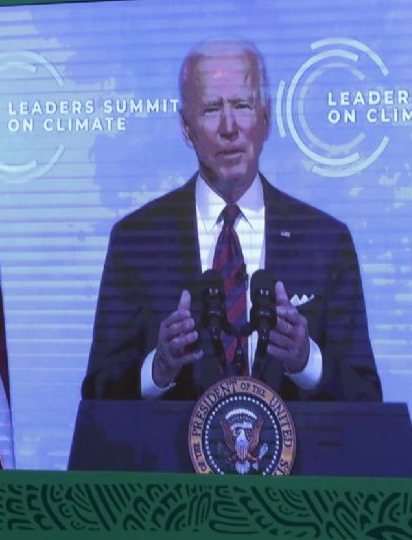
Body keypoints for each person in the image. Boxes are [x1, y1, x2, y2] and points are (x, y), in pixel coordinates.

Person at [82, 39, 381, 402]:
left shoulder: (325, 241)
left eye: (242, 105)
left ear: (266, 119)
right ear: (186, 127)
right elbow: (97, 394)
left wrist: (306, 360)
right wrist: (158, 369)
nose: (229, 127)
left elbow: (366, 394)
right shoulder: (136, 241)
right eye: (211, 109)